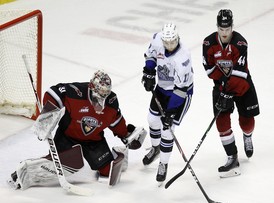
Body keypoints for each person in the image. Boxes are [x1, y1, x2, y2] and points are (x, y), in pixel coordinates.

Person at [8, 70, 146, 190]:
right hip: (67, 136)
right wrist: (48, 115)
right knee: (59, 165)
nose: (102, 99)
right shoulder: (76, 92)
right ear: (92, 87)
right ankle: (26, 172)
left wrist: (126, 135)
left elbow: (116, 121)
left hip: (94, 141)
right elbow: (52, 93)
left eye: (105, 94)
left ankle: (118, 153)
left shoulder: (111, 102)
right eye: (99, 93)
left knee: (109, 171)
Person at [202, 9, 260, 177]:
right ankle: (232, 156)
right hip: (221, 86)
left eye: (227, 29)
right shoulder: (208, 43)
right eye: (221, 29)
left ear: (232, 27)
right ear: (217, 27)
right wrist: (224, 88)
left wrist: (228, 90)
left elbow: (239, 72)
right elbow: (209, 69)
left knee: (247, 122)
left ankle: (247, 136)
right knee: (221, 122)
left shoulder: (240, 43)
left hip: (242, 85)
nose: (224, 32)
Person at [141, 23, 194, 183]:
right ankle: (156, 148)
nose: (170, 45)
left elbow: (181, 89)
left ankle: (163, 163)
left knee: (167, 130)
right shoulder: (158, 40)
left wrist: (171, 112)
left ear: (178, 38)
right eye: (167, 42)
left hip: (180, 94)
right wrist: (149, 72)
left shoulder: (183, 57)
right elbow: (150, 55)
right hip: (162, 89)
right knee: (152, 120)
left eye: (173, 42)